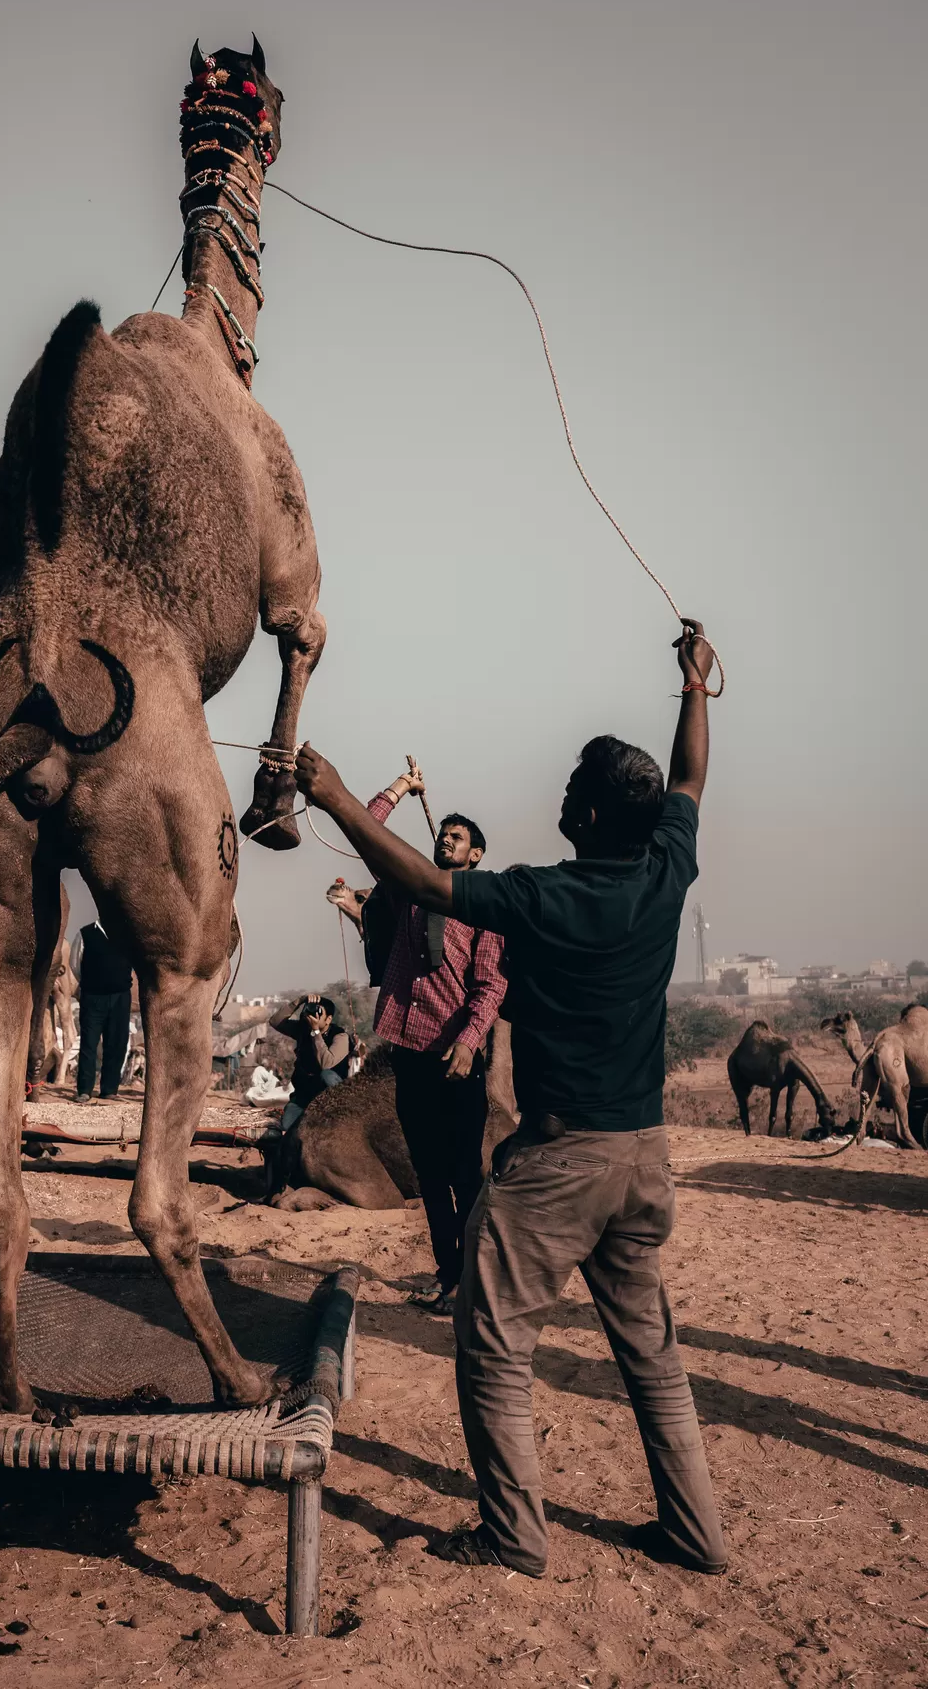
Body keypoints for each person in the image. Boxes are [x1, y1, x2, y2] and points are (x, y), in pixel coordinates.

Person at [294, 622, 727, 1580]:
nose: (562, 795)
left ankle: (513, 1535)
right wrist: (694, 685)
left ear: (591, 817)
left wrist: (334, 797)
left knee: (492, 1343)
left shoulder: (544, 896)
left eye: (574, 790)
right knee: (651, 1354)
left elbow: (416, 880)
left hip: (560, 1164)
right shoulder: (664, 873)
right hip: (646, 1159)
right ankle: (697, 1535)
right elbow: (691, 780)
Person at [363, 766, 507, 1316]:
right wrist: (400, 789)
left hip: (457, 1057)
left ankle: (474, 1278)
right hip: (409, 1050)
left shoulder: (484, 907)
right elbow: (368, 834)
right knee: (428, 1173)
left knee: (465, 1173)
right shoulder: (410, 891)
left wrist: (470, 1040)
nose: (446, 839)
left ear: (475, 856)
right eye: (442, 833)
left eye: (458, 836)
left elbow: (492, 983)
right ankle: (450, 1275)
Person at [68, 918, 133, 1103]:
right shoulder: (85, 933)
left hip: (120, 996)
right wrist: (92, 982)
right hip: (93, 997)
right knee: (89, 1044)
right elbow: (75, 964)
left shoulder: (127, 933)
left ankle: (109, 1089)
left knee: (117, 1043)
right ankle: (84, 1090)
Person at [266, 994, 350, 1134]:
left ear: (328, 1019)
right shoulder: (303, 1030)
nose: (312, 1015)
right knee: (287, 1126)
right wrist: (299, 1001)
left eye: (318, 1012)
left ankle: (339, 1111)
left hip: (330, 1092)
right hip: (304, 1092)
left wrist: (316, 1032)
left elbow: (326, 1063)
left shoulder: (340, 1036)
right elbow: (275, 1021)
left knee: (326, 1074)